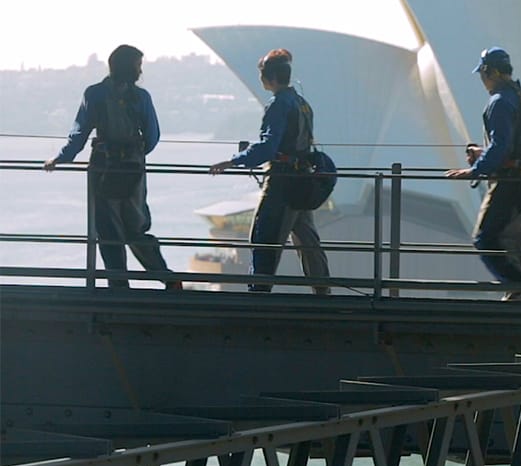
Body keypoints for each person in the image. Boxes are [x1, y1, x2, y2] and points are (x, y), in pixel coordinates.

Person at [43, 45, 180, 290]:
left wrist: (62, 159)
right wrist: (135, 155)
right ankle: (166, 277)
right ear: (129, 67)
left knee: (108, 231)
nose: (140, 72)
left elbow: (80, 132)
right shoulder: (141, 97)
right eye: (138, 66)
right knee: (136, 227)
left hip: (103, 168)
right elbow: (152, 136)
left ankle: (118, 286)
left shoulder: (94, 94)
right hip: (133, 168)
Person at [210, 49, 331, 295]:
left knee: (264, 237)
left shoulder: (279, 104)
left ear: (271, 78)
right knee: (307, 241)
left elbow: (268, 146)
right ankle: (323, 293)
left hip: (282, 182)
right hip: (303, 179)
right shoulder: (301, 103)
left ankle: (259, 293)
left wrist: (233, 161)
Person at [445, 47, 521, 301]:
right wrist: (483, 153)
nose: (482, 80)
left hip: (509, 183)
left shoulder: (499, 101)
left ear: (491, 72)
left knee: (485, 238)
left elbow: (501, 147)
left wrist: (475, 171)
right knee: (516, 245)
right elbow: (516, 144)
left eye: (483, 74)